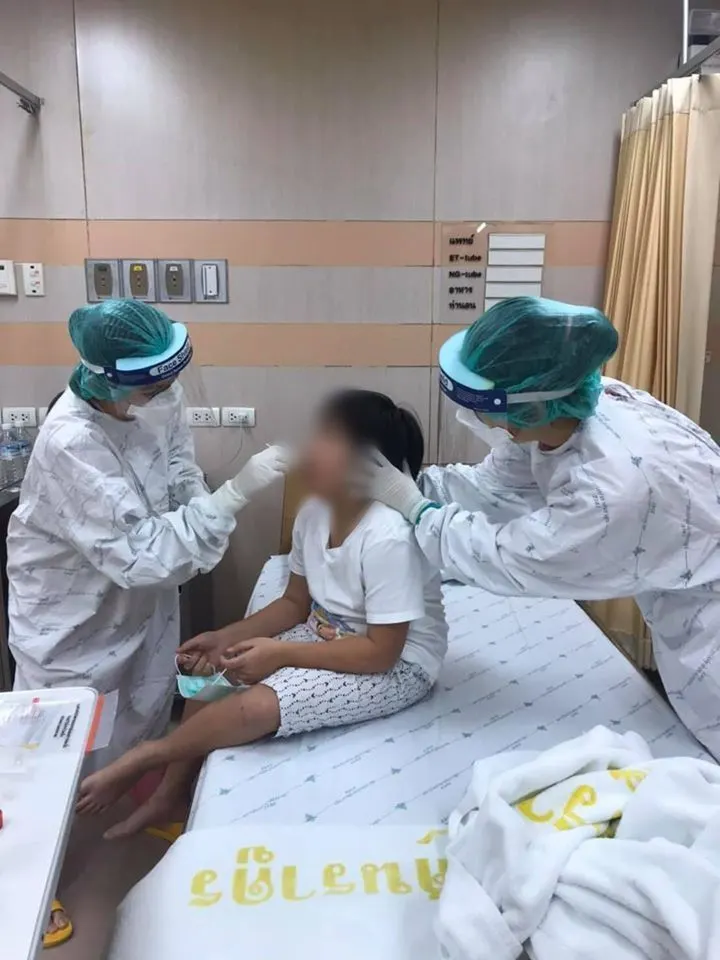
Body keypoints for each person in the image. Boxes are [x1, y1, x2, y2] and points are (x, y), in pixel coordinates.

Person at [7, 300, 289, 945]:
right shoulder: (72, 441)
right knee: (53, 747)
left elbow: (179, 467)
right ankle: (22, 883)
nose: (165, 393)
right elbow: (143, 555)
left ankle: (141, 792)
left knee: (142, 702)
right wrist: (233, 497)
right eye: (152, 386)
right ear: (107, 379)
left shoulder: (156, 391)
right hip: (72, 610)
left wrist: (201, 502)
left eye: (168, 381)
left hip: (139, 600)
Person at [76, 389, 448, 834]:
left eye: (326, 438)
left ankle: (147, 757)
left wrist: (281, 655)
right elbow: (294, 603)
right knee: (209, 682)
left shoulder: (388, 535)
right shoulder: (314, 514)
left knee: (255, 707)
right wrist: (226, 638)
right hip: (328, 632)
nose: (307, 447)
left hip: (397, 663)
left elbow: (382, 653)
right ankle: (169, 797)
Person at [364, 296, 720, 760]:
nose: (475, 419)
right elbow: (496, 489)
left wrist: (416, 510)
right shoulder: (566, 409)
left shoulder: (612, 490)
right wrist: (419, 487)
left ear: (522, 413)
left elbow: (510, 557)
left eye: (482, 407)